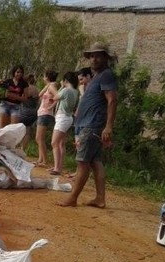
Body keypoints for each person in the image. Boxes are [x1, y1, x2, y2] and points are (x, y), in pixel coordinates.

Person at [58, 42, 117, 208]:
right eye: (91, 56)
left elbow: (112, 100)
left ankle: (72, 198)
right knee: (95, 162)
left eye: (98, 55)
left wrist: (108, 126)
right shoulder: (97, 77)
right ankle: (100, 198)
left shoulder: (105, 75)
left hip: (92, 125)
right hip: (91, 124)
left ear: (105, 57)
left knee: (82, 162)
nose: (94, 59)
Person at [49, 71, 79, 175]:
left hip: (62, 118)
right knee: (61, 143)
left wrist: (61, 86)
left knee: (54, 142)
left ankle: (57, 168)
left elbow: (55, 97)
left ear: (66, 80)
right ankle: (58, 166)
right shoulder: (75, 91)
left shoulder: (66, 90)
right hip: (68, 118)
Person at [35, 70, 59, 166]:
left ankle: (44, 161)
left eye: (44, 76)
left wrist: (51, 105)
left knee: (39, 138)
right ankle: (40, 159)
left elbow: (58, 96)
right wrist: (47, 85)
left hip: (45, 113)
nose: (43, 78)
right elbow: (40, 94)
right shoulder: (50, 85)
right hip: (42, 113)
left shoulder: (52, 86)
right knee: (39, 138)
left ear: (47, 77)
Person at [19, 74, 40, 150]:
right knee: (27, 131)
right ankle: (23, 149)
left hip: (23, 111)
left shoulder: (26, 88)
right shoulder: (37, 90)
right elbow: (38, 102)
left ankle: (16, 148)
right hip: (33, 113)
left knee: (19, 130)